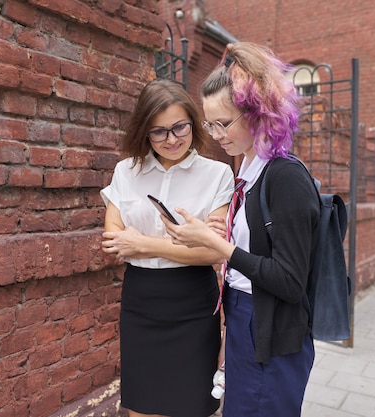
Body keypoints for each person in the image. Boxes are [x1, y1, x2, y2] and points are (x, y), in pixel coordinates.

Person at [161, 42, 320, 416]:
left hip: (271, 330)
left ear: (259, 113)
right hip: (243, 319)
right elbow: (258, 248)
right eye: (209, 123)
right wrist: (222, 231)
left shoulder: (284, 176)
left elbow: (291, 281)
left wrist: (222, 248)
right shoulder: (248, 171)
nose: (215, 134)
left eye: (224, 122)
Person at [100, 78, 234, 417]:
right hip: (141, 301)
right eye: (158, 132)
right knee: (142, 407)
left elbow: (214, 253)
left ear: (193, 121)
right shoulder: (126, 172)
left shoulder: (218, 175)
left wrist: (143, 243)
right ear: (144, 132)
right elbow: (115, 241)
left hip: (193, 302)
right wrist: (184, 243)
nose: (171, 139)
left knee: (191, 406)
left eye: (179, 127)